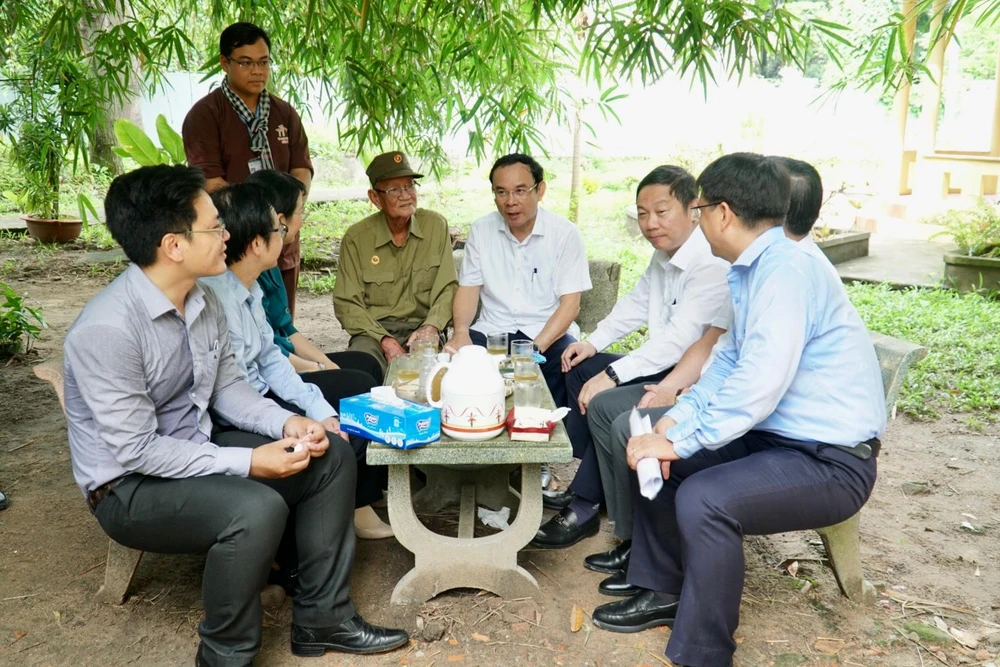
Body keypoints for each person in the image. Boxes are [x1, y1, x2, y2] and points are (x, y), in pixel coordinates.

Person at [63, 164, 408, 666]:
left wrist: (289, 423)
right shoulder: (109, 329)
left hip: (196, 452)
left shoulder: (202, 299)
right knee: (255, 508)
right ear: (173, 245)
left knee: (329, 452)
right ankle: (227, 653)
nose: (228, 234)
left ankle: (323, 619)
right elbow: (136, 450)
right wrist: (249, 463)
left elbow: (229, 389)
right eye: (214, 226)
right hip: (129, 488)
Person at [590, 153, 885, 667]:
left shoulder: (788, 271)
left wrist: (678, 439)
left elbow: (759, 384)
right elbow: (726, 364)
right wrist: (675, 423)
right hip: (777, 438)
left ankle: (705, 649)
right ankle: (661, 588)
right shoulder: (749, 269)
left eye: (699, 208)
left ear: (722, 212)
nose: (697, 219)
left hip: (831, 458)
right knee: (657, 448)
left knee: (706, 496)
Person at [531, 166, 730, 550]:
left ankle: (587, 502)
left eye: (661, 211)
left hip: (692, 374)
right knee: (574, 366)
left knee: (607, 400)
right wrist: (593, 344)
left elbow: (680, 339)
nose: (650, 223)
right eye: (642, 213)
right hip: (669, 361)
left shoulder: (710, 262)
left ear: (693, 209)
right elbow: (636, 304)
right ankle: (598, 482)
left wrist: (613, 373)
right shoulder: (664, 256)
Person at [201, 183, 392, 540]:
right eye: (279, 228)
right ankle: (321, 521)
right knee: (349, 418)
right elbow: (234, 394)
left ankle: (353, 502)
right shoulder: (217, 300)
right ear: (257, 244)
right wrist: (299, 417)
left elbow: (273, 359)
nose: (286, 232)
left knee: (353, 406)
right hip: (239, 414)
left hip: (262, 398)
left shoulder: (248, 287)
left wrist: (320, 411)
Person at [182, 21, 312, 316]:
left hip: (283, 235)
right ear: (224, 63)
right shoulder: (205, 115)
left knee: (282, 324)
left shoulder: (283, 112)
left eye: (264, 62)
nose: (257, 71)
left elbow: (302, 168)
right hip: (238, 240)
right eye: (246, 63)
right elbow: (212, 184)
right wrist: (261, 221)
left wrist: (289, 216)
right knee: (239, 321)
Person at [447, 154, 592, 408]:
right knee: (459, 363)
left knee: (568, 365)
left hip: (546, 333)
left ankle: (555, 439)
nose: (510, 202)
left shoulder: (565, 234)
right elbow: (468, 288)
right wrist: (460, 333)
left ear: (540, 190)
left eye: (520, 191)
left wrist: (533, 351)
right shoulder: (481, 230)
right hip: (493, 329)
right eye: (501, 192)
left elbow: (571, 306)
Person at [245, 169, 385, 384]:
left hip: (284, 361)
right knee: (358, 382)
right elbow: (268, 354)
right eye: (301, 211)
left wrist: (325, 364)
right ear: (281, 220)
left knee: (366, 363)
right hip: (268, 377)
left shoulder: (271, 262)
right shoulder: (247, 273)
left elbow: (287, 331)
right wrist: (318, 368)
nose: (303, 221)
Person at [333, 152, 458, 374]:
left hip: (422, 329)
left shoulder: (435, 226)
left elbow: (448, 287)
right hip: (374, 333)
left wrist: (431, 327)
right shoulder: (357, 238)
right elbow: (347, 303)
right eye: (394, 190)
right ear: (375, 197)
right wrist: (385, 341)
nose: (406, 195)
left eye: (410, 186)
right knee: (362, 367)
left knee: (429, 375)